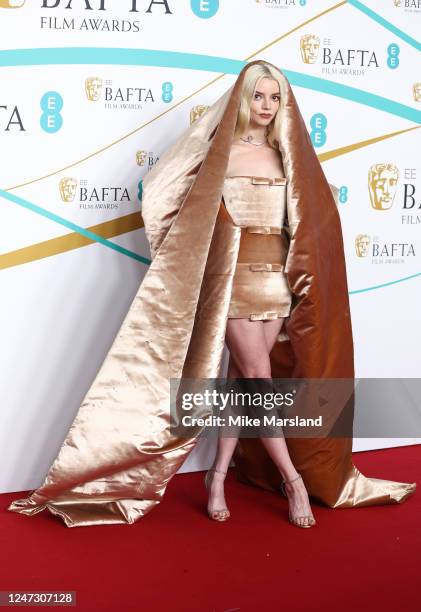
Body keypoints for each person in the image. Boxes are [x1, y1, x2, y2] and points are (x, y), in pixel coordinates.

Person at [7, 59, 416, 528]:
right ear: (243, 100)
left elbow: (307, 217)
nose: (266, 105)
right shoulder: (220, 152)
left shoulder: (289, 154)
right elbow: (162, 191)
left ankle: (218, 475)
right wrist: (188, 259)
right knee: (260, 377)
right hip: (234, 278)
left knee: (243, 381)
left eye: (274, 97)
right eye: (258, 96)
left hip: (278, 280)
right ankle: (292, 480)